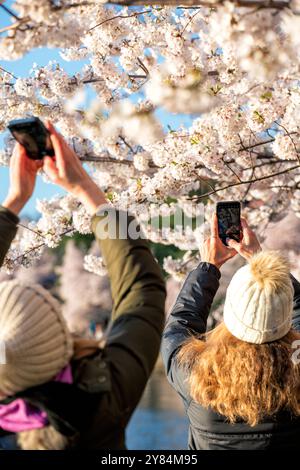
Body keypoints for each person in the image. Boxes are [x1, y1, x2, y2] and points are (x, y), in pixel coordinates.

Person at [0, 123, 166, 450]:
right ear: (58, 335)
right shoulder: (103, 394)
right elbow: (142, 293)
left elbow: (142, 294)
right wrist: (84, 188)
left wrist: (13, 203)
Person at [162, 213, 300, 450]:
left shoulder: (196, 377)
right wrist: (264, 264)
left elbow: (179, 326)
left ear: (231, 312)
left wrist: (209, 267)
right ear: (283, 315)